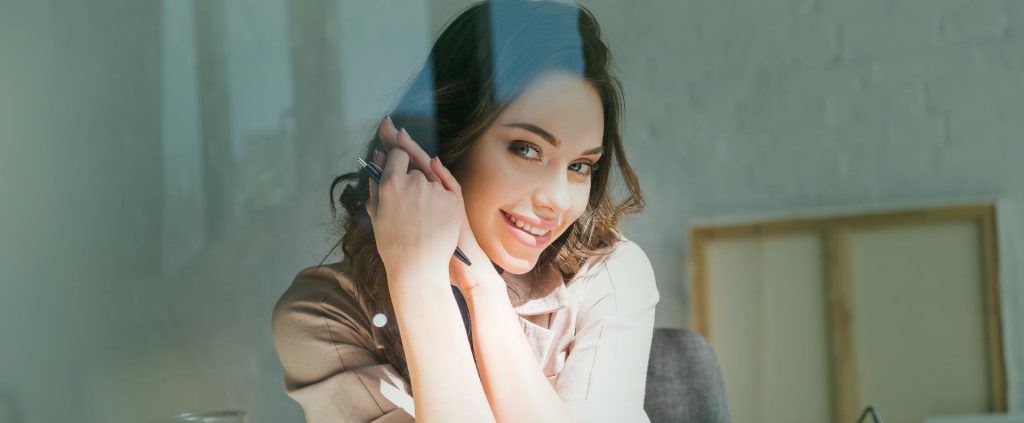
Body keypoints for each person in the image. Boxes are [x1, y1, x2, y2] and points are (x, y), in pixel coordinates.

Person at [271, 0, 659, 421]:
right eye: (526, 149)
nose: (558, 200)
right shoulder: (323, 315)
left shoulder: (610, 278)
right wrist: (418, 280)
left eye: (580, 166)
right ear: (447, 139)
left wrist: (480, 285)